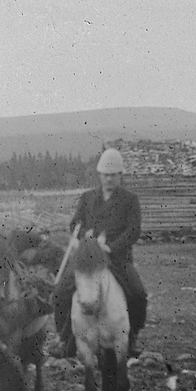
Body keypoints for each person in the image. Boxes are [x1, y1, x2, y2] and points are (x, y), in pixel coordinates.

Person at [50, 147, 149, 359]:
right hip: (88, 259)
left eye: (113, 175)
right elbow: (75, 224)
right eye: (105, 175)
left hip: (116, 258)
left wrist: (110, 247)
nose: (109, 179)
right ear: (99, 175)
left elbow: (133, 231)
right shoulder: (87, 198)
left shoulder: (130, 200)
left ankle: (131, 338)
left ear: (120, 176)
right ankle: (65, 340)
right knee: (60, 292)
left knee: (139, 295)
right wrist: (87, 237)